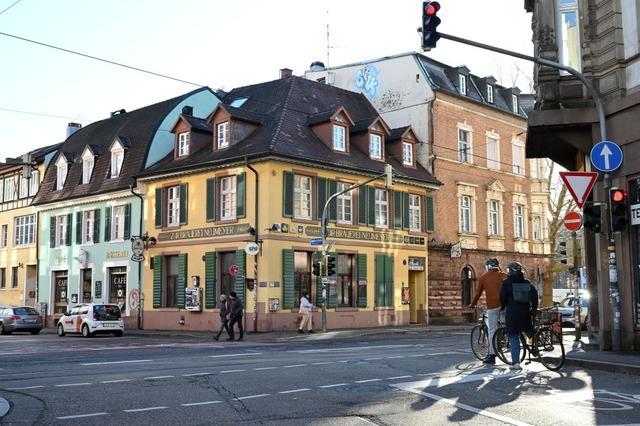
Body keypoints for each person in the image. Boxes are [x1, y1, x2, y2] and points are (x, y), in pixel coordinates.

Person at [499, 261, 538, 370]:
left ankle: (516, 363)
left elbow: (502, 297)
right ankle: (535, 343)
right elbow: (534, 294)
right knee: (528, 330)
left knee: (513, 336)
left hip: (512, 313)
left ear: (510, 271)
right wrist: (534, 308)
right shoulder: (526, 282)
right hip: (525, 312)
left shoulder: (506, 283)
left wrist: (503, 306)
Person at [469, 258, 506, 364]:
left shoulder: (484, 278)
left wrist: (473, 304)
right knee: (506, 326)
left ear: (488, 267)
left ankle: (491, 355)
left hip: (492, 306)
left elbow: (477, 294)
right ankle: (505, 340)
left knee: (492, 330)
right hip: (505, 305)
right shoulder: (503, 276)